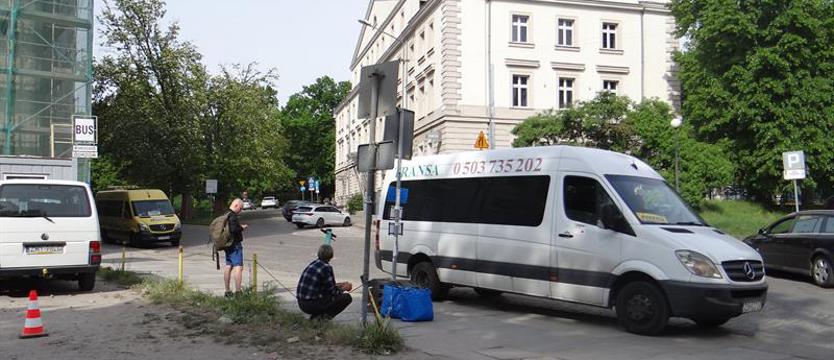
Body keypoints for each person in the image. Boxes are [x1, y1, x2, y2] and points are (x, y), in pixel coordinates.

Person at [296, 244, 353, 320]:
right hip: (310, 304)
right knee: (346, 298)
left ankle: (316, 318)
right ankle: (321, 320)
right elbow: (333, 292)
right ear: (331, 256)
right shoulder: (326, 268)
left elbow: (326, 286)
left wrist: (340, 285)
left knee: (328, 297)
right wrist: (344, 288)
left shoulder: (314, 263)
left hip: (301, 302)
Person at [224, 198, 248, 297]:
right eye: (241, 208)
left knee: (228, 266)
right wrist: (242, 227)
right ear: (237, 205)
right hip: (235, 245)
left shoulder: (225, 214)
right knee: (238, 267)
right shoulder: (233, 216)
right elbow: (234, 229)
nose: (240, 210)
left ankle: (227, 291)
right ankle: (238, 292)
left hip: (227, 244)